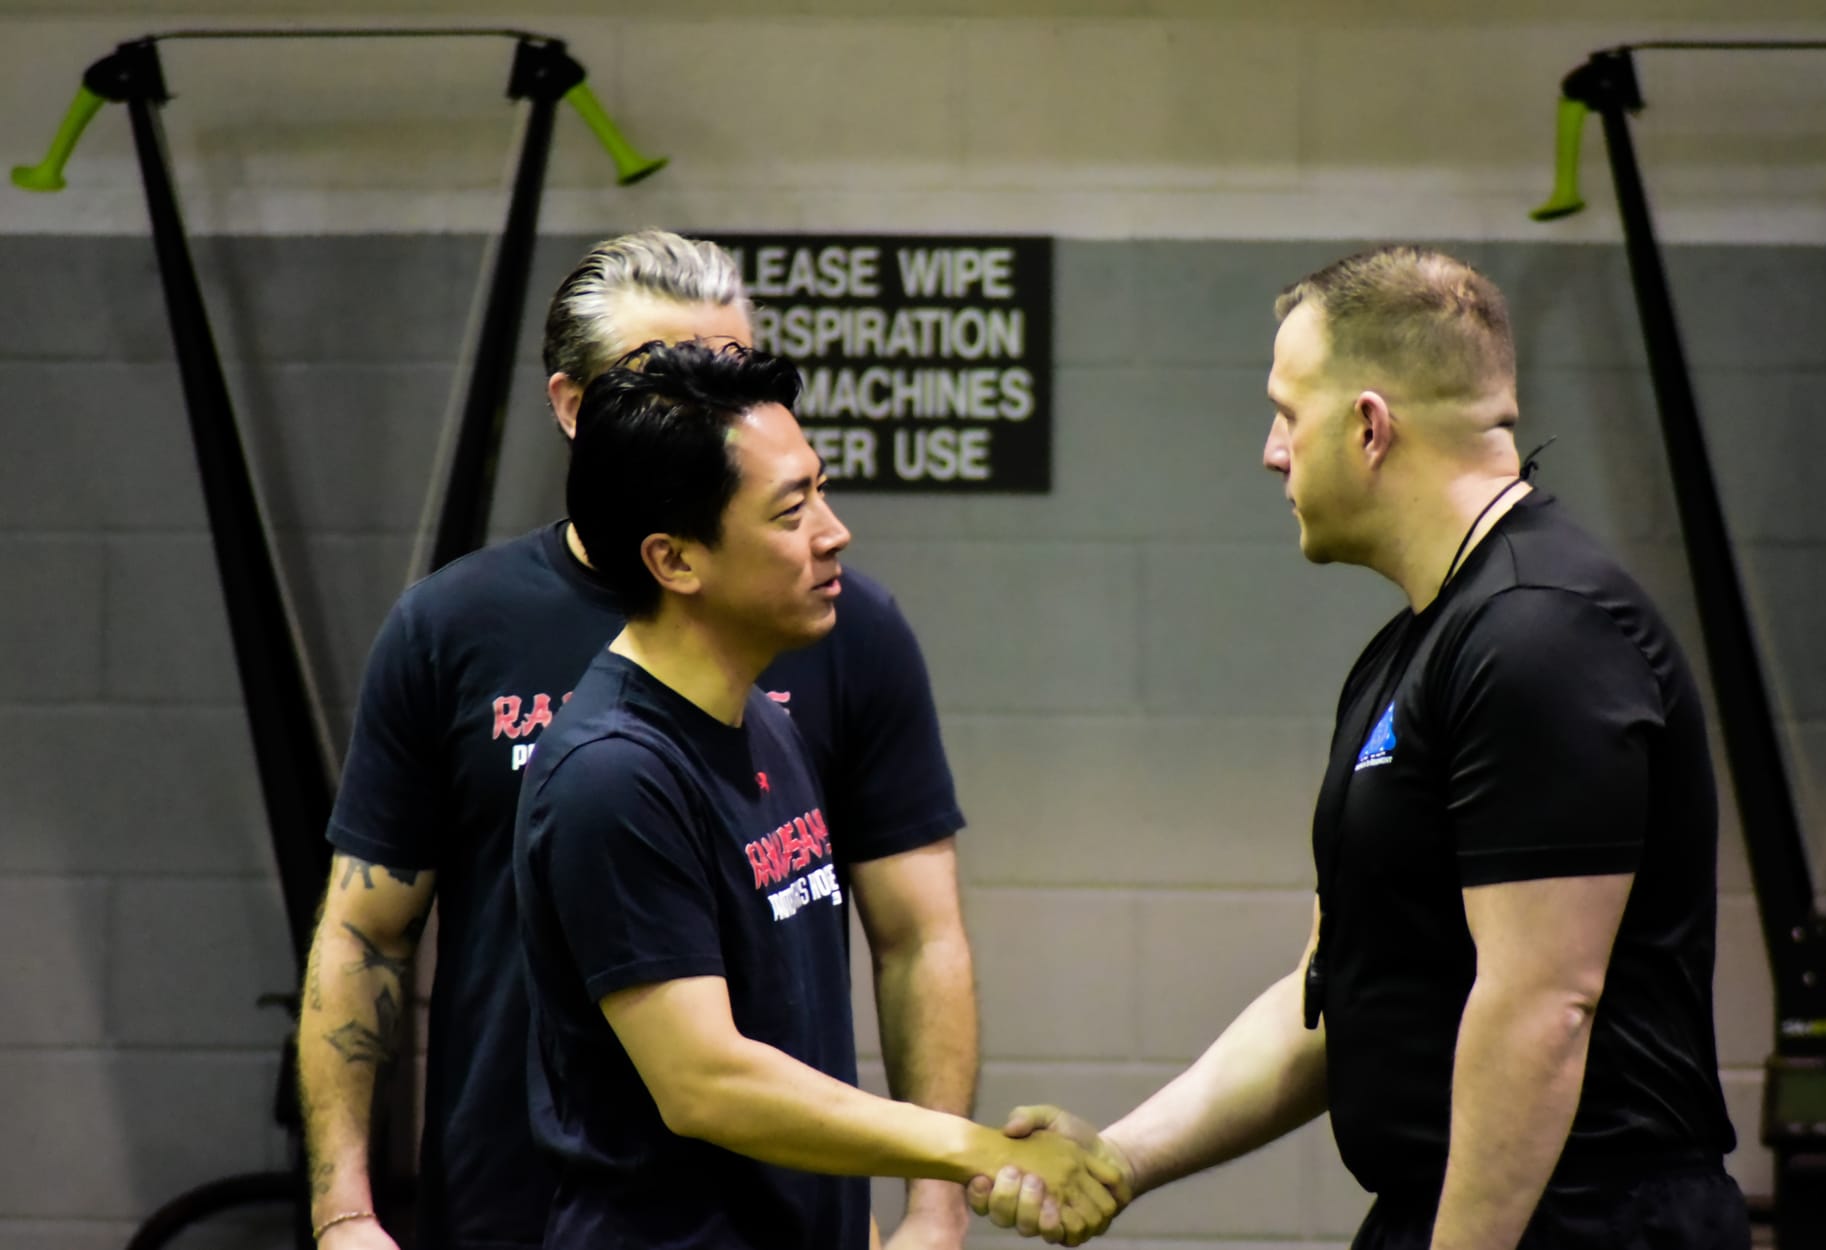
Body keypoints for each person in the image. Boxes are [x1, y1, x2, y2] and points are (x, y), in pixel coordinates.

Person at [970, 245, 1748, 1249]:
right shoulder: (1420, 647)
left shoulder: (1540, 635)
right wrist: (1119, 1158)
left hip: (1579, 1222)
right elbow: (1333, 995)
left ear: (1368, 427)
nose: (1270, 450)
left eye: (1287, 414)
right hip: (1451, 1213)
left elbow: (1540, 1007)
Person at [299, 231, 978, 1250]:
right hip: (528, 1204)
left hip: (769, 1204)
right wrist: (345, 1206)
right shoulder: (458, 634)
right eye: (667, 378)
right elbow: (366, 933)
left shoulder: (823, 641)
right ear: (578, 407)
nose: (710, 407)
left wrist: (934, 1205)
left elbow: (917, 935)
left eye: (724, 369)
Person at [513, 340, 1119, 1250]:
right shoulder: (613, 775)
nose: (834, 532)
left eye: (821, 492)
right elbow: (707, 1083)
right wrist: (975, 1150)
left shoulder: (765, 722)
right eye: (791, 511)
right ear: (675, 561)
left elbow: (792, 1047)